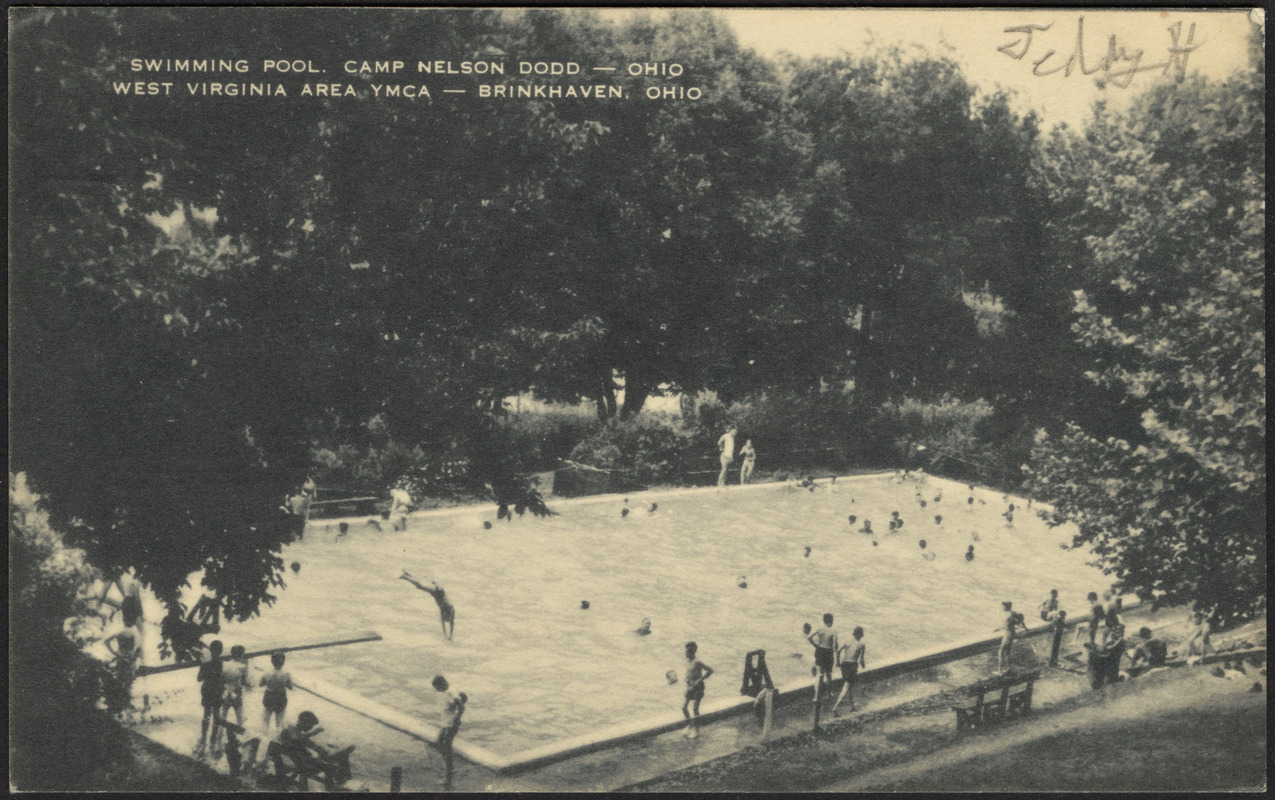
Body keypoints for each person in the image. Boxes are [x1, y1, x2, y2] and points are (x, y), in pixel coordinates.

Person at [280, 710, 355, 789]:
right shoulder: (290, 730)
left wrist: (319, 748)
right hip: (301, 763)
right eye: (310, 726)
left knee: (336, 759)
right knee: (329, 767)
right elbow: (296, 739)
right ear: (302, 722)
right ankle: (336, 787)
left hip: (305, 760)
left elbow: (309, 743)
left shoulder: (298, 733)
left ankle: (341, 782)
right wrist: (313, 733)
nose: (311, 728)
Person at [432, 675, 466, 788]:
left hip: (451, 724)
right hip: (445, 723)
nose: (436, 691)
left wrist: (457, 718)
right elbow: (464, 696)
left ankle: (448, 775)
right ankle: (449, 765)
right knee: (438, 743)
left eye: (437, 688)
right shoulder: (448, 690)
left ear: (441, 684)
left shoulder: (451, 692)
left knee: (447, 747)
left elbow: (462, 706)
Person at [401, 571, 455, 640]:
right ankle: (405, 577)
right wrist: (450, 636)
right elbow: (451, 625)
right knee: (420, 586)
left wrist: (447, 635)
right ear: (447, 615)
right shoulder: (450, 608)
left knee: (420, 585)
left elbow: (444, 625)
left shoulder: (443, 611)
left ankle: (407, 574)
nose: (443, 618)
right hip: (437, 591)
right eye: (445, 617)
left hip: (437, 592)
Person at [196, 640, 226, 758]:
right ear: (221, 651)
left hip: (207, 690)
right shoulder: (223, 664)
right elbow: (225, 678)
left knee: (207, 714)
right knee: (216, 715)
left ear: (210, 650)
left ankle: (204, 736)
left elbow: (199, 679)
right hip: (218, 691)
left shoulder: (205, 664)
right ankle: (213, 737)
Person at [681, 642, 714, 738]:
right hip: (689, 686)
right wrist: (686, 679)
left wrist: (699, 680)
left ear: (692, 652)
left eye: (687, 651)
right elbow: (689, 672)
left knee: (695, 709)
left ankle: (696, 730)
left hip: (698, 687)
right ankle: (689, 725)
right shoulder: (687, 661)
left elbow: (710, 670)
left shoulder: (697, 662)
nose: (685, 653)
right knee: (684, 707)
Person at [831, 626, 866, 716]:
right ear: (860, 635)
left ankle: (852, 707)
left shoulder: (847, 641)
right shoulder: (862, 645)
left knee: (849, 687)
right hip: (852, 666)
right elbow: (861, 660)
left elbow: (838, 652)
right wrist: (863, 665)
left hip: (844, 665)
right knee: (846, 687)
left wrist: (838, 662)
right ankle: (835, 707)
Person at [261, 651, 293, 739]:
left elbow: (261, 684)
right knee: (279, 722)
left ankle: (263, 739)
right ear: (283, 662)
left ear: (272, 661)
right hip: (281, 697)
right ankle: (278, 740)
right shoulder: (286, 674)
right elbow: (290, 687)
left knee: (265, 720)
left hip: (269, 697)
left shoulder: (267, 672)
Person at [807, 613, 839, 700]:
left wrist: (816, 645)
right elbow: (836, 646)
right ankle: (829, 695)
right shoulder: (833, 631)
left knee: (820, 675)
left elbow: (809, 638)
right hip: (828, 652)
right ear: (831, 621)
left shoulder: (820, 629)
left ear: (824, 621)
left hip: (819, 651)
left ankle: (816, 696)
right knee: (828, 675)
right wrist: (836, 650)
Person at [221, 645, 250, 733]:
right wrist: (247, 665)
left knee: (223, 716)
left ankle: (218, 738)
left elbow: (222, 679)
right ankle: (241, 738)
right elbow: (245, 681)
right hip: (236, 692)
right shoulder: (243, 666)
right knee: (239, 718)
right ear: (241, 654)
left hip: (226, 692)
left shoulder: (225, 663)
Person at [996, 602, 1027, 673]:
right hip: (1012, 633)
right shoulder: (1013, 613)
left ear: (1006, 607)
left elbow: (1006, 624)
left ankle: (1000, 670)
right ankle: (1009, 667)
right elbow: (1020, 621)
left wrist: (999, 628)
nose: (1001, 607)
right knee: (1007, 651)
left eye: (1003, 606)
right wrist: (1025, 628)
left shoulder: (1008, 616)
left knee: (1001, 651)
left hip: (1008, 634)